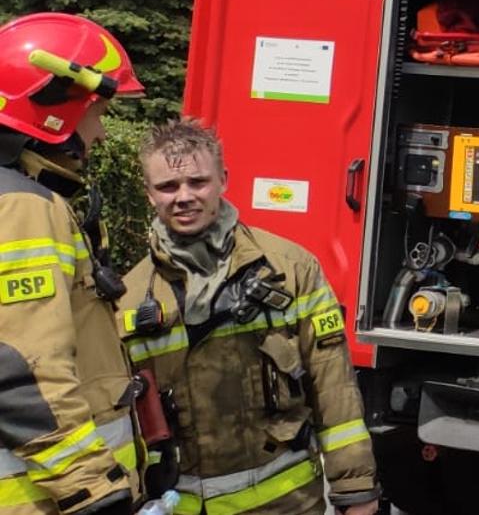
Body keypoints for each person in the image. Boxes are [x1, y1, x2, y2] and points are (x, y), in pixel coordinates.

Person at [118, 120, 378, 515]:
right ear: (149, 194)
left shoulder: (290, 269)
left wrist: (356, 490)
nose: (184, 196)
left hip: (284, 504)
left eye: (198, 182)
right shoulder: (129, 297)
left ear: (223, 179)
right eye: (168, 187)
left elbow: (333, 387)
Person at [0, 13, 145, 515]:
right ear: (55, 111)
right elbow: (22, 367)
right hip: (40, 499)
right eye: (97, 114)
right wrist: (93, 488)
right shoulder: (23, 208)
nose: (102, 135)